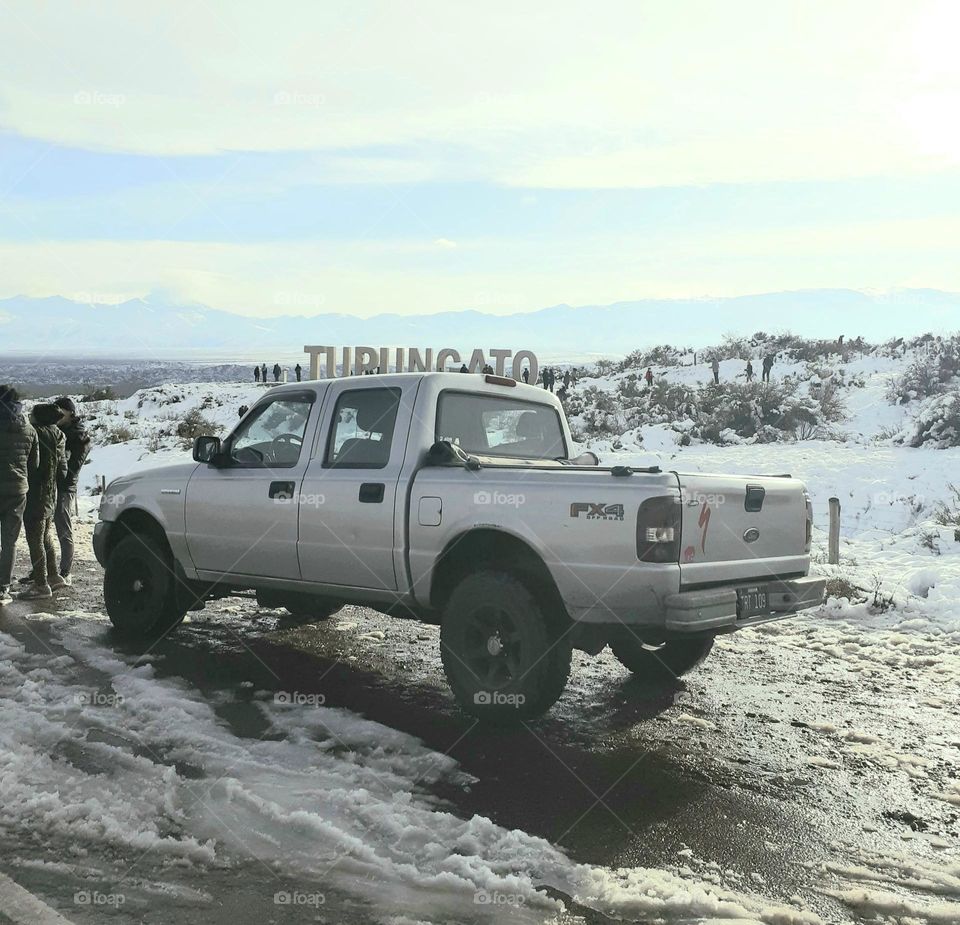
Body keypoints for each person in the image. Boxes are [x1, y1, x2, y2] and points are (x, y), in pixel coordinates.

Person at [19, 403, 66, 600]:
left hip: (35, 493)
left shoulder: (35, 434)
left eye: (33, 414)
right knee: (46, 535)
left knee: (35, 539)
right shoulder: (59, 435)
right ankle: (54, 576)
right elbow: (62, 470)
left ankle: (41, 584)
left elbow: (32, 465)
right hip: (50, 492)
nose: (30, 416)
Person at [0, 386, 38, 606]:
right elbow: (35, 464)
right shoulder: (28, 429)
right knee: (10, 541)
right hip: (17, 490)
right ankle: (3, 586)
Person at [50, 397, 90, 586]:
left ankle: (65, 571)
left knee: (63, 529)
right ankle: (44, 570)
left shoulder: (78, 436)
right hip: (52, 485)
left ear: (70, 412)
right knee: (42, 530)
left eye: (61, 411)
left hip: (64, 488)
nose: (58, 414)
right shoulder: (60, 430)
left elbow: (74, 465)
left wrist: (63, 479)